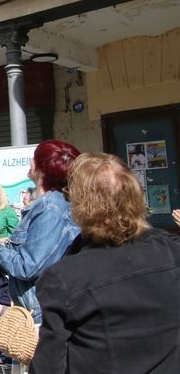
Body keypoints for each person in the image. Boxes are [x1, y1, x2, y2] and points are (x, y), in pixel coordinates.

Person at [32, 153, 180, 373]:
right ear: (136, 197)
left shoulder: (64, 278)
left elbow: (49, 367)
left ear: (79, 205)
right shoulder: (171, 249)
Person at [0, 139, 81, 323]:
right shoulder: (47, 207)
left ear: (41, 169)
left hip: (42, 315)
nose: (31, 160)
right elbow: (34, 252)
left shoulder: (50, 210)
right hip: (34, 311)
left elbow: (26, 267)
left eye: (34, 157)